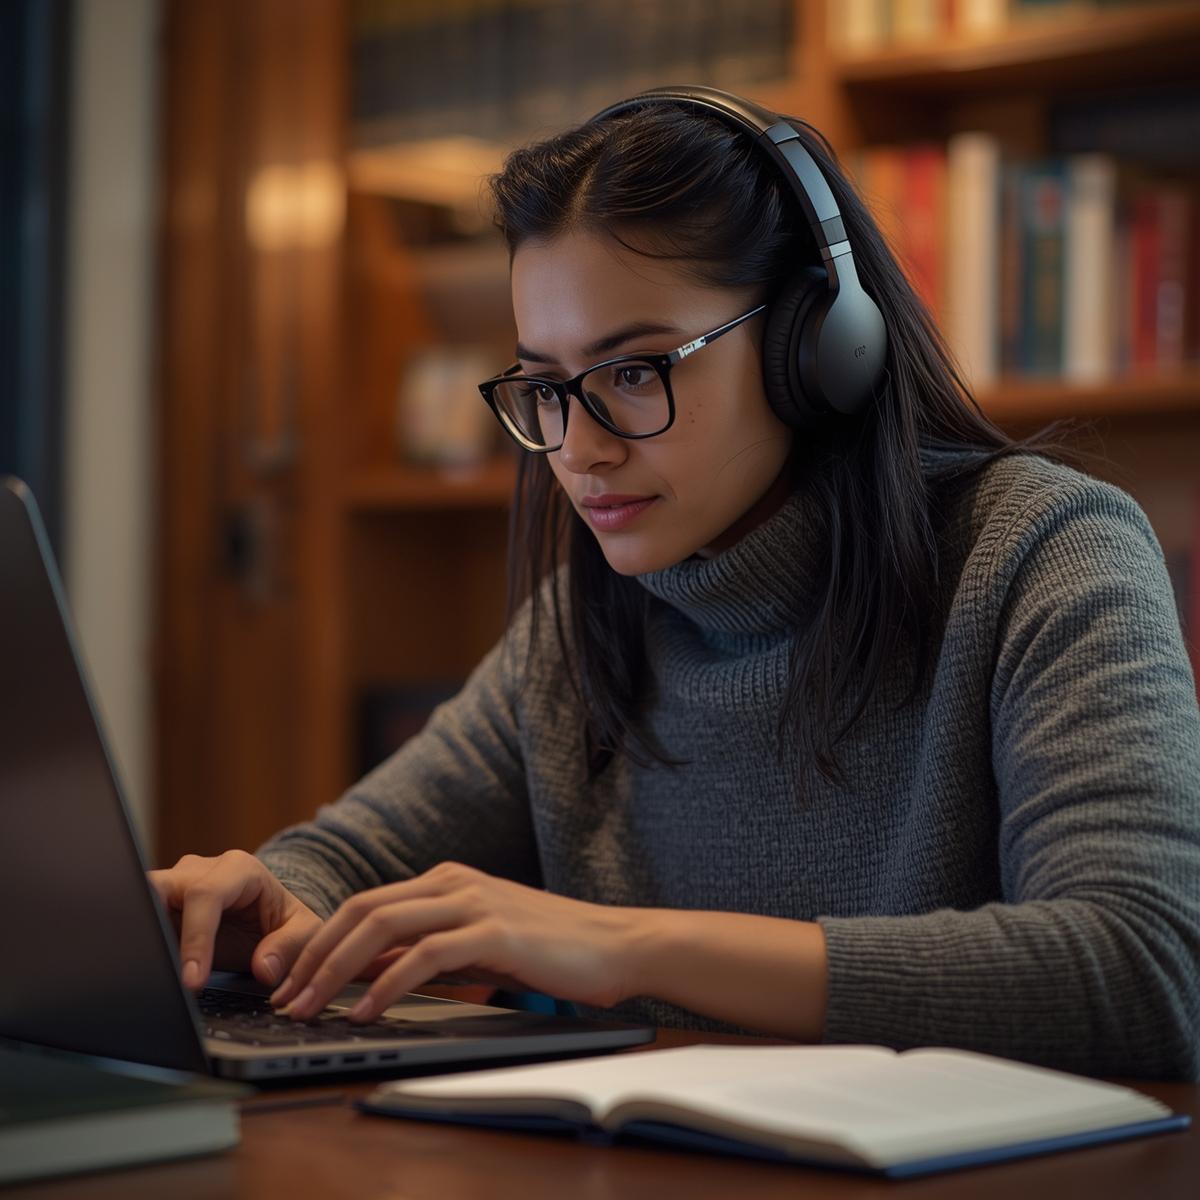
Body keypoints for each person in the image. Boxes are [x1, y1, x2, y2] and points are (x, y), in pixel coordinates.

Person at [149, 89, 1200, 1081]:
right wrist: (272, 906)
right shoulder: (578, 634)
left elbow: (1146, 967)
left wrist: (629, 950)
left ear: (817, 344)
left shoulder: (1042, 553)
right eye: (549, 388)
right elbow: (359, 855)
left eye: (636, 371)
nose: (579, 451)